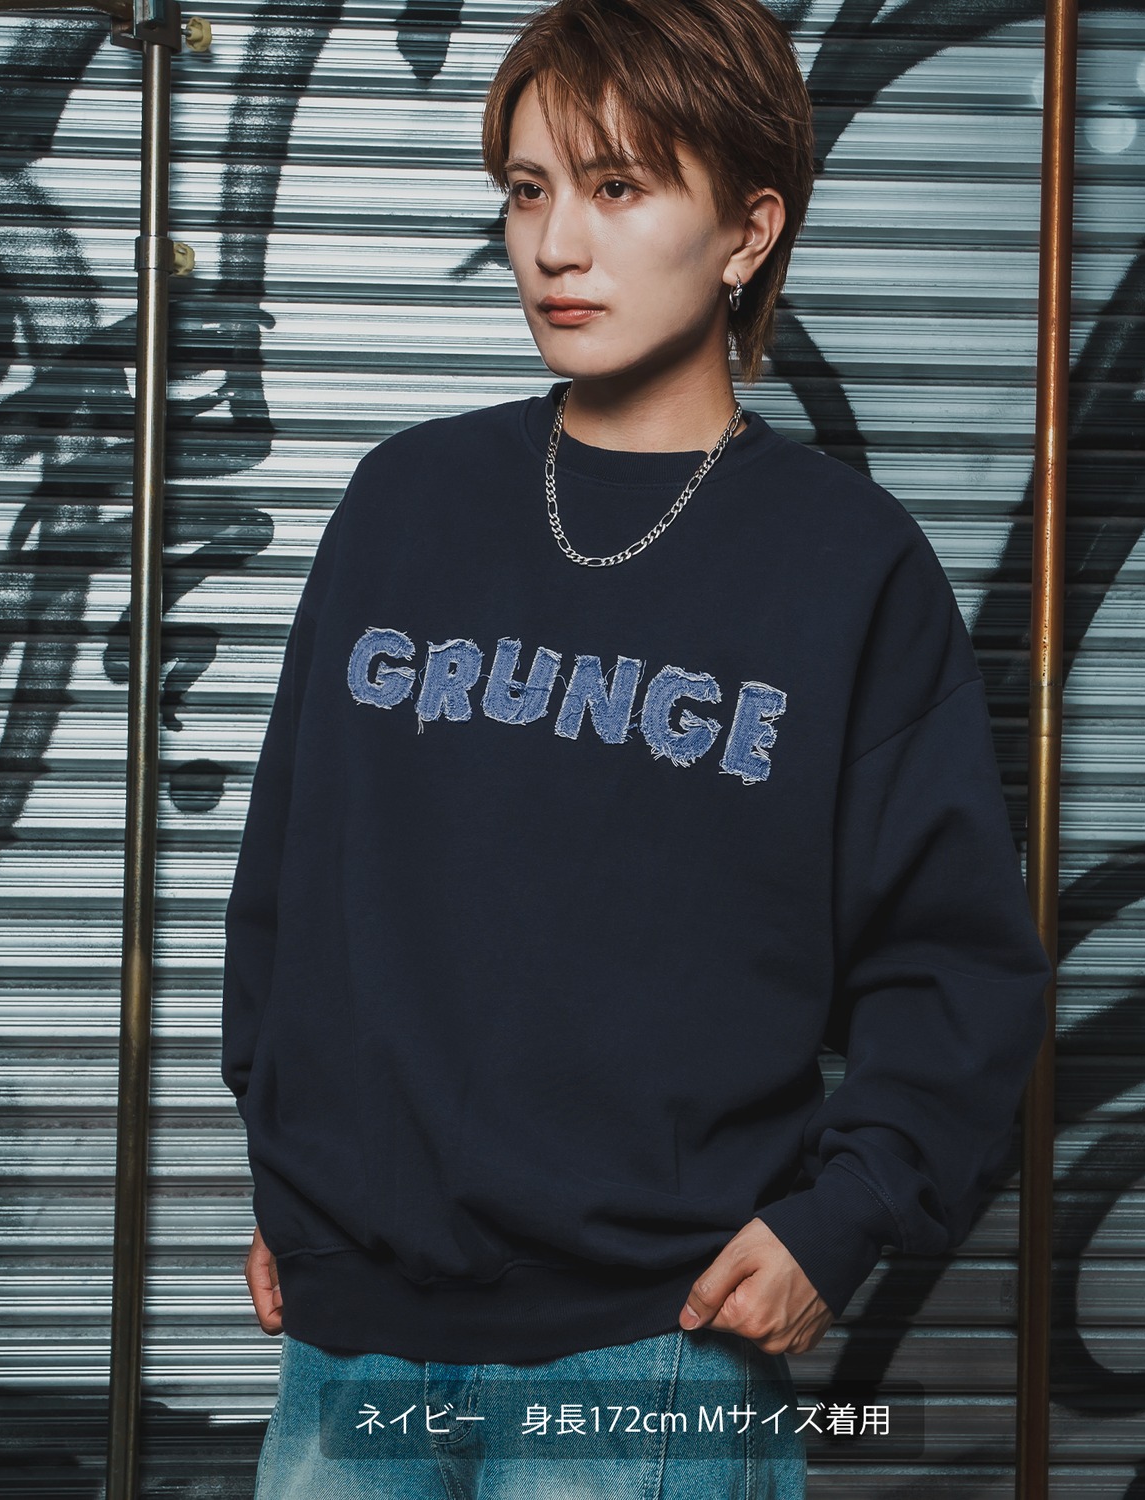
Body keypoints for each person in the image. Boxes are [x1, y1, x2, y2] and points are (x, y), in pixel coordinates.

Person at [220, 0, 1053, 1494]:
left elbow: (956, 967)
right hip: (351, 1350)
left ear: (748, 230)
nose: (555, 245)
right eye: (527, 189)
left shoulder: (845, 566)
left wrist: (840, 1220)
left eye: (616, 188)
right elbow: (289, 889)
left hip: (650, 1353)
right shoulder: (403, 505)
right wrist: (296, 1182)